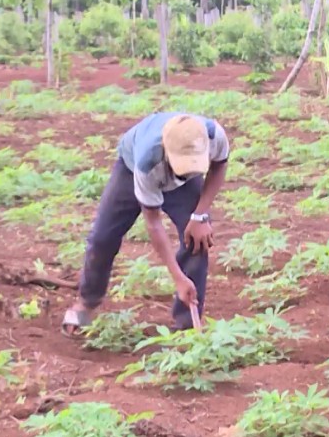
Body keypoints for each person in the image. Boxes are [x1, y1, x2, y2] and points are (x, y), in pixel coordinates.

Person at [61, 112, 230, 335]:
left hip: (183, 184)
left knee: (198, 239)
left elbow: (219, 166)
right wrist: (178, 278)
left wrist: (200, 215)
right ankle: (86, 302)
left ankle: (186, 325)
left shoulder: (213, 135)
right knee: (103, 238)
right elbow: (154, 224)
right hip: (130, 170)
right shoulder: (147, 162)